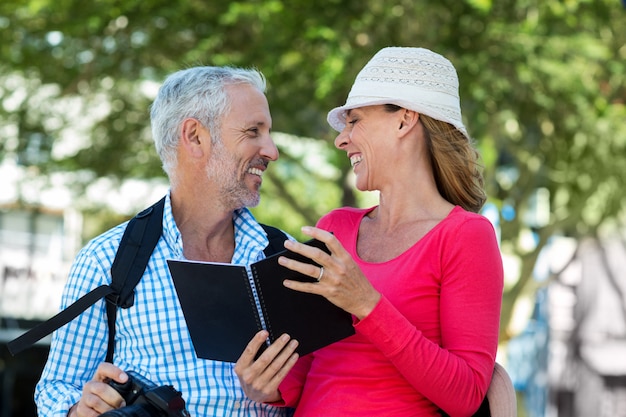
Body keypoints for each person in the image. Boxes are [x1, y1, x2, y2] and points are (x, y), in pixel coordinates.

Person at [234, 47, 504, 416]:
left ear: (404, 120)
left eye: (354, 121)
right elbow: (305, 375)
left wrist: (366, 304)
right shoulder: (335, 228)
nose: (341, 139)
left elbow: (466, 394)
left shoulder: (465, 236)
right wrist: (264, 384)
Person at [35, 66, 293, 417]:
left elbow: (332, 384)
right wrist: (78, 410)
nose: (272, 150)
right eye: (253, 132)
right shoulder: (106, 260)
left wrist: (284, 390)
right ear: (195, 136)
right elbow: (55, 389)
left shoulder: (285, 257)